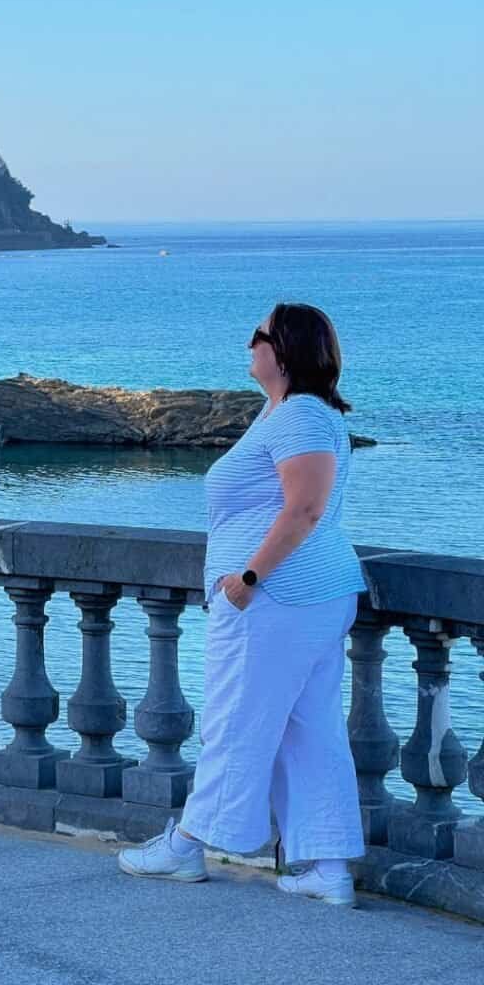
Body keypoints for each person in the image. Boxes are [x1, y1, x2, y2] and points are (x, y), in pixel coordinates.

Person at [117, 304, 367, 907]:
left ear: (282, 351)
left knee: (235, 723)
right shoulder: (290, 412)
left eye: (258, 335)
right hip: (312, 595)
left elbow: (305, 508)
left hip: (276, 598)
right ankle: (328, 867)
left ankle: (188, 844)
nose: (248, 344)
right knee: (310, 731)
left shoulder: (301, 415)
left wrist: (249, 578)